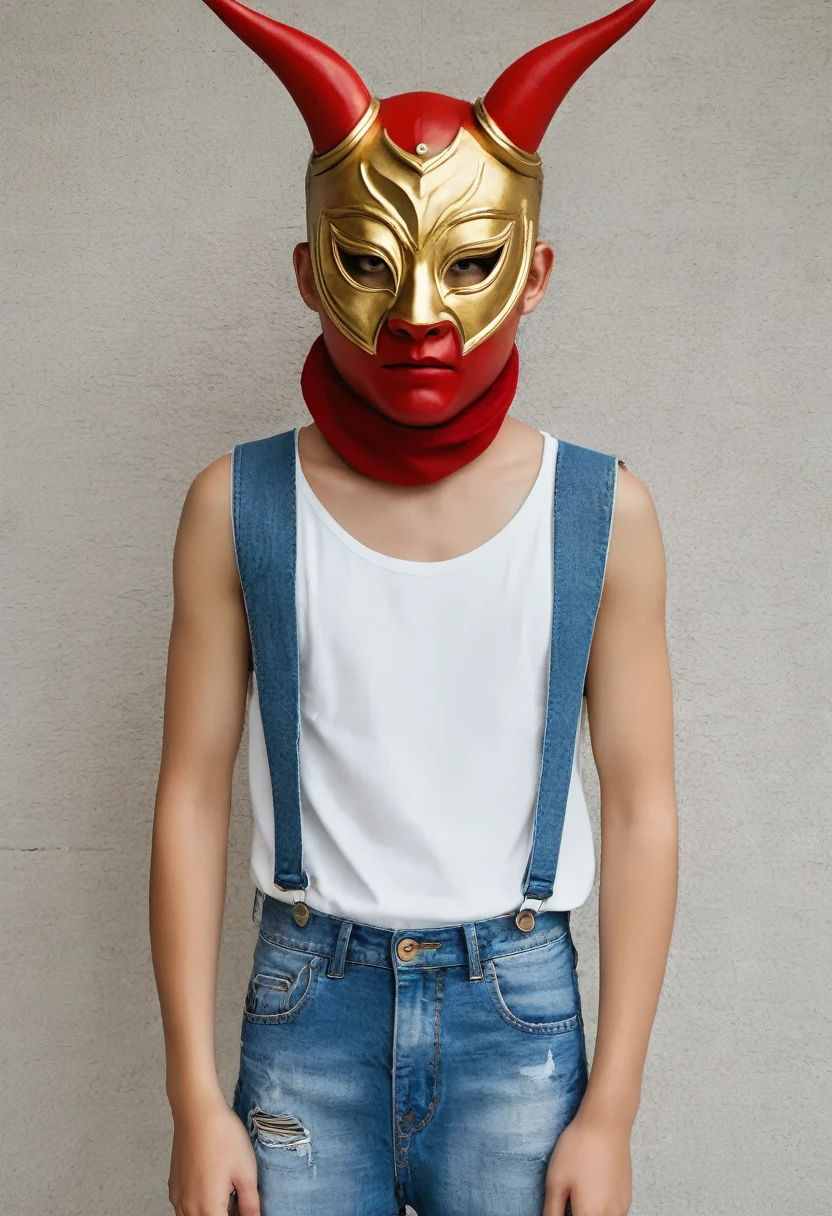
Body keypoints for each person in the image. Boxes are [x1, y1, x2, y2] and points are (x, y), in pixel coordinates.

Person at [149, 1, 678, 1214]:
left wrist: (613, 1108)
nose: (420, 316)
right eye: (371, 263)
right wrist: (194, 1096)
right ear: (308, 270)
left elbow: (643, 811)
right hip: (303, 1006)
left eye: (472, 261)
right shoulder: (238, 505)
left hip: (518, 1015)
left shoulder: (603, 513)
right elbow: (187, 796)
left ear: (532, 273)